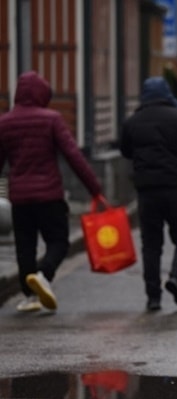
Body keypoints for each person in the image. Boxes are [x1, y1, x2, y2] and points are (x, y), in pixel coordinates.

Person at [0, 71, 103, 312]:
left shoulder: (5, 123)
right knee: (58, 241)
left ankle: (30, 296)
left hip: (21, 197)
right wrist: (94, 189)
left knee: (25, 246)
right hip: (49, 196)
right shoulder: (52, 119)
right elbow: (73, 156)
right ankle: (44, 276)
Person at [120, 76, 177, 312]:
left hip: (146, 192)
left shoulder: (132, 122)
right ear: (167, 93)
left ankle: (153, 297)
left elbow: (125, 150)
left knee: (151, 244)